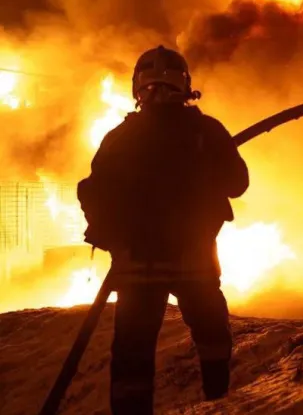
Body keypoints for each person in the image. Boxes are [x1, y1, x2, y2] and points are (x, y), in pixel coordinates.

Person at [77, 46, 249, 414]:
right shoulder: (207, 131)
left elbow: (93, 192)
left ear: (137, 89)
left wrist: (110, 237)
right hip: (195, 260)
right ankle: (218, 402)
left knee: (132, 354)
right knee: (212, 336)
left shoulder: (121, 137)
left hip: (137, 266)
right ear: (185, 86)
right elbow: (238, 183)